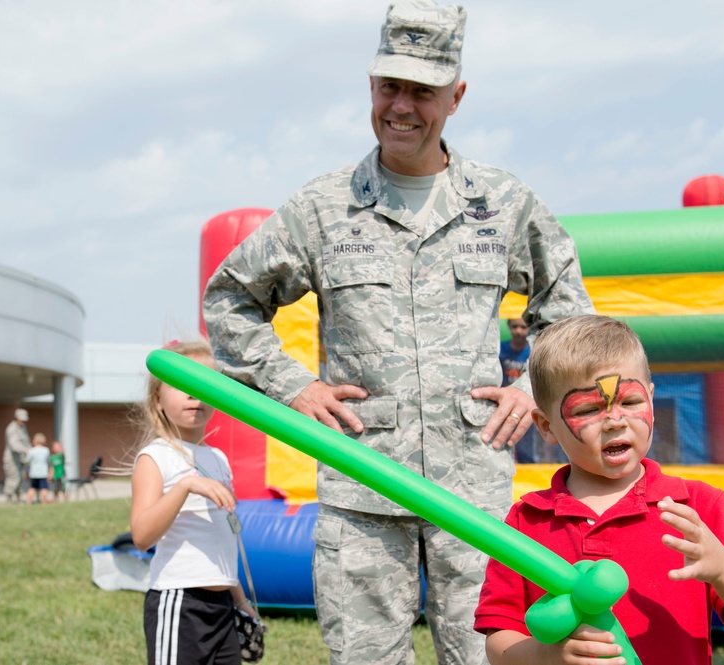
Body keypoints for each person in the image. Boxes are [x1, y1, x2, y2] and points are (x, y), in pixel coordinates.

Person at [202, 3, 594, 662]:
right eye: (389, 86)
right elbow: (228, 301)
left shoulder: (500, 203)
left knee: (486, 655)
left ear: (456, 95)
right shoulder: (323, 208)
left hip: (471, 490)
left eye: (422, 90)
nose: (401, 106)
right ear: (370, 88)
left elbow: (571, 309)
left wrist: (531, 385)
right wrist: (294, 386)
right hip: (363, 484)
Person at [474, 315, 724, 664]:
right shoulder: (528, 520)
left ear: (653, 401)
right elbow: (499, 643)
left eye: (629, 402)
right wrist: (546, 655)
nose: (615, 420)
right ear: (546, 426)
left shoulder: (699, 508)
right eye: (587, 409)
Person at [130, 339, 257, 665]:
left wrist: (239, 599)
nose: (193, 393)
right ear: (157, 399)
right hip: (180, 603)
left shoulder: (218, 458)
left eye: (203, 383)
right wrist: (185, 486)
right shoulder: (156, 456)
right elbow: (142, 536)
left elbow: (220, 538)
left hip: (223, 608)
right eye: (181, 384)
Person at [500, 319, 546, 463]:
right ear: (508, 327)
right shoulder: (500, 350)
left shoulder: (532, 353)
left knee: (527, 444)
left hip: (528, 402)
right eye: (514, 327)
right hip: (505, 402)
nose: (518, 331)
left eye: (523, 327)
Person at [3, 408, 32, 503]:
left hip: (21, 459)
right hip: (12, 459)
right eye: (21, 419)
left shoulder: (23, 428)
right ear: (16, 418)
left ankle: (19, 498)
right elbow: (13, 444)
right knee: (13, 478)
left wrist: (31, 450)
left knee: (21, 478)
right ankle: (9, 499)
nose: (23, 421)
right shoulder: (11, 428)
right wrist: (25, 450)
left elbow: (26, 441)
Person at [25, 433, 51, 505]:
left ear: (35, 441)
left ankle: (28, 504)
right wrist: (49, 472)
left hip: (34, 473)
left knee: (32, 488)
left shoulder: (31, 451)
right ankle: (44, 503)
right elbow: (49, 462)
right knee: (44, 489)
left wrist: (27, 453)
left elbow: (27, 461)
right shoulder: (46, 450)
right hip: (43, 473)